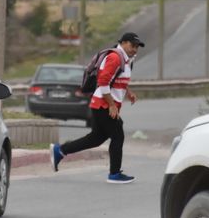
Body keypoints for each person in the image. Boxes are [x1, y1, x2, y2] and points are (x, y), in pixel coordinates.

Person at [50, 32, 144, 184]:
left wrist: (129, 92)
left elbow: (117, 79)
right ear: (124, 43)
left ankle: (60, 151)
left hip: (102, 104)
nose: (135, 49)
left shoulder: (127, 60)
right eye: (133, 45)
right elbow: (103, 82)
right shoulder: (115, 57)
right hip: (103, 105)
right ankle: (114, 174)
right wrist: (112, 105)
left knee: (96, 139)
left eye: (137, 47)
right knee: (118, 135)